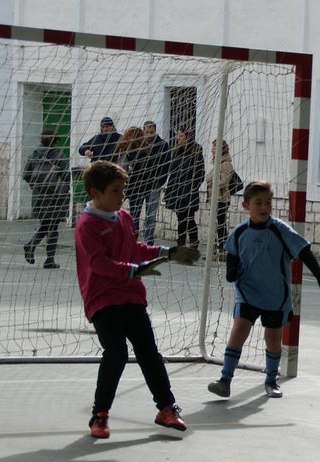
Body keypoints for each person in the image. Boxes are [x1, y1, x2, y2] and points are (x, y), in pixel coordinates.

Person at [73, 160, 200, 438]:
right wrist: (134, 270)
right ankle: (100, 415)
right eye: (115, 190)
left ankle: (166, 408)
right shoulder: (86, 225)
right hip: (102, 298)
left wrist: (167, 252)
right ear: (96, 192)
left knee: (148, 352)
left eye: (123, 189)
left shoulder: (125, 217)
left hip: (131, 295)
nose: (122, 196)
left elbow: (134, 248)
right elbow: (100, 264)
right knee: (116, 353)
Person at [206, 181, 320, 399]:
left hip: (275, 295)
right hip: (247, 292)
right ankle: (225, 380)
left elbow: (303, 251)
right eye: (259, 203)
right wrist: (231, 272)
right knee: (239, 332)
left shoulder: (279, 229)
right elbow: (232, 255)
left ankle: (271, 380)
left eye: (268, 202)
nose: (265, 207)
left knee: (273, 339)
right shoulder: (239, 232)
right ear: (246, 205)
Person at [22, 129, 71, 269]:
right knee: (53, 226)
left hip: (39, 195)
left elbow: (26, 174)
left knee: (45, 224)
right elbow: (66, 175)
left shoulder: (34, 154)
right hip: (55, 196)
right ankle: (48, 259)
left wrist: (36, 186)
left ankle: (32, 246)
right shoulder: (59, 155)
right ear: (55, 140)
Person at [164, 127, 205, 248]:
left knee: (188, 218)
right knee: (181, 218)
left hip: (188, 192)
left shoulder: (196, 153)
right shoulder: (176, 151)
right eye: (177, 135)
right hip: (176, 191)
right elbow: (173, 172)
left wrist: (191, 188)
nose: (178, 138)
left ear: (188, 137)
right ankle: (180, 243)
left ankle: (193, 242)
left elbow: (199, 174)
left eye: (181, 136)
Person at [136, 121, 171, 245]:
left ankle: (148, 242)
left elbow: (166, 165)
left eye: (151, 132)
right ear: (143, 131)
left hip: (153, 186)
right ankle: (132, 241)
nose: (149, 135)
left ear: (155, 131)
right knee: (134, 214)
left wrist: (160, 181)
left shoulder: (162, 145)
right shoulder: (138, 144)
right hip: (139, 186)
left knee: (150, 216)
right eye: (147, 132)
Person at [114, 126, 151, 239]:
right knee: (132, 214)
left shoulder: (140, 152)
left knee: (133, 215)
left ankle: (130, 240)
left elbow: (140, 169)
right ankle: (128, 239)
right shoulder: (123, 149)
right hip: (133, 186)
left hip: (132, 186)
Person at [205, 139, 237, 255]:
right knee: (214, 223)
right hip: (214, 197)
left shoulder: (226, 164)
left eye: (214, 148)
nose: (212, 150)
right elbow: (208, 177)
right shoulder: (217, 163)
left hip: (222, 198)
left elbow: (223, 181)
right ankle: (215, 248)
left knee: (221, 223)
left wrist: (212, 179)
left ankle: (223, 248)